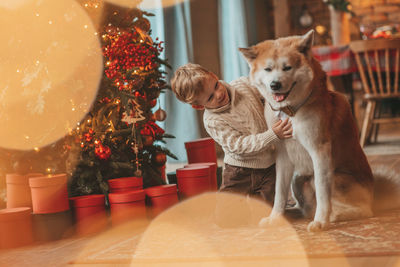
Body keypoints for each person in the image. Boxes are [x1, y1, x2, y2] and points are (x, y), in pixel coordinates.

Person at [170, 63, 292, 204]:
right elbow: (238, 146)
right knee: (226, 218)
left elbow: (268, 91)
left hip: (269, 165)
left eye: (216, 85)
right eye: (210, 98)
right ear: (198, 106)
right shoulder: (212, 121)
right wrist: (272, 134)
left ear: (214, 75)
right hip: (239, 171)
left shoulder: (243, 85)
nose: (219, 94)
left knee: (265, 214)